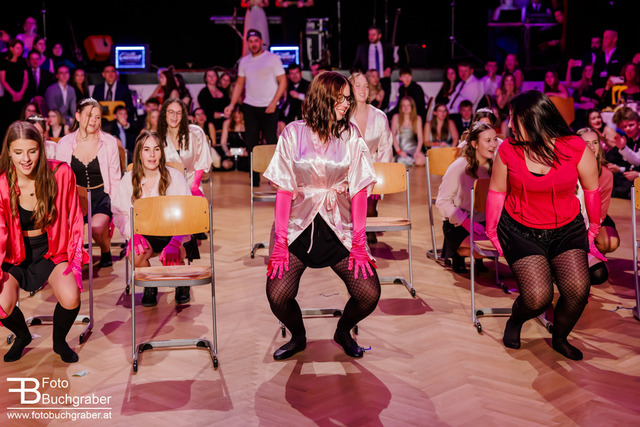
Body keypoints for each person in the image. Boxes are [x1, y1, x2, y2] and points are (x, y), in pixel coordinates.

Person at [263, 71, 380, 360]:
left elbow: (359, 192)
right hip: (298, 227)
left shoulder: (351, 135)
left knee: (369, 293)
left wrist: (359, 243)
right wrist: (280, 242)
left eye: (348, 98)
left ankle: (343, 331)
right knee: (277, 294)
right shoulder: (293, 133)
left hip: (338, 226)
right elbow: (283, 191)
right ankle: (298, 336)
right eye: (341, 98)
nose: (347, 103)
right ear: (323, 97)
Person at [486, 90, 605, 360]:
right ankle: (515, 320)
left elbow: (592, 190)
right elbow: (496, 191)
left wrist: (593, 230)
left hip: (566, 229)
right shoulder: (508, 149)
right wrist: (491, 230)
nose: (509, 124)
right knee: (537, 298)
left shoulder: (575, 147)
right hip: (521, 229)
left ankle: (560, 338)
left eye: (514, 118)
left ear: (534, 119)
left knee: (577, 290)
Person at [0, 121, 88, 363]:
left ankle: (59, 342)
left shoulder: (60, 173)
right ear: (9, 152)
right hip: (14, 255)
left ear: (41, 148)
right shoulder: (2, 184)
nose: (26, 159)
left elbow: (75, 219)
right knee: (2, 304)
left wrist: (75, 258)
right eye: (18, 152)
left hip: (52, 250)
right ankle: (22, 336)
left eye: (32, 151)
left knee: (71, 297)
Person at [111, 131, 194, 307]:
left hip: (174, 234)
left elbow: (188, 214)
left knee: (174, 256)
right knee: (135, 254)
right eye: (147, 149)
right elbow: (119, 213)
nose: (152, 155)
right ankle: (150, 285)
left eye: (156, 149)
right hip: (145, 234)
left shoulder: (175, 177)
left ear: (161, 152)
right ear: (139, 153)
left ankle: (181, 282)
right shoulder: (129, 180)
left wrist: (175, 242)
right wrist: (132, 233)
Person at [56, 98, 121, 268]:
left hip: (101, 195)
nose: (94, 121)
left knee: (97, 227)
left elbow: (115, 178)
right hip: (75, 198)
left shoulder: (109, 142)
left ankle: (105, 249)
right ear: (78, 116)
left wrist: (116, 208)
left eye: (97, 117)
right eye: (89, 116)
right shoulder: (64, 143)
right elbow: (60, 179)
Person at [224, 29, 287, 186]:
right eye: (250, 41)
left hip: (269, 107)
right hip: (250, 106)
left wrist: (274, 102)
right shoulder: (244, 61)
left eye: (256, 41)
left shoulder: (272, 58)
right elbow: (239, 84)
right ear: (248, 43)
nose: (253, 44)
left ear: (261, 42)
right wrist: (231, 104)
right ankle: (254, 179)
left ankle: (275, 177)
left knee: (271, 142)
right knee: (251, 143)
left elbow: (283, 81)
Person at [436, 122, 497, 273]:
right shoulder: (459, 166)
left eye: (495, 139)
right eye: (488, 140)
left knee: (505, 244)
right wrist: (466, 222)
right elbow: (442, 202)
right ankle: (458, 252)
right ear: (475, 144)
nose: (494, 144)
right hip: (459, 224)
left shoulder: (494, 166)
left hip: (483, 222)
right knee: (482, 249)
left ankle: (470, 252)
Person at [349, 72, 393, 243]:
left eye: (366, 86)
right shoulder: (342, 114)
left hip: (372, 168)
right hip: (348, 169)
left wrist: (380, 173)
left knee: (369, 211)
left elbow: (386, 147)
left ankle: (371, 222)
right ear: (350, 89)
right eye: (358, 85)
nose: (363, 89)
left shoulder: (379, 116)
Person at [158, 98, 212, 233]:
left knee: (192, 221)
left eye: (178, 113)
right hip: (167, 187)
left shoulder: (195, 133)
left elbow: (202, 161)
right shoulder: (158, 137)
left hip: (192, 184)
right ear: (165, 114)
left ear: (183, 116)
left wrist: (194, 187)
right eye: (171, 112)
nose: (174, 116)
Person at [577, 127, 618, 285]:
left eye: (595, 142)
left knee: (600, 274)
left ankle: (592, 254)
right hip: (569, 224)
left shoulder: (606, 174)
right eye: (586, 143)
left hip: (594, 219)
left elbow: (601, 212)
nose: (591, 147)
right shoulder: (568, 169)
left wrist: (589, 238)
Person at [0, 39, 28, 130]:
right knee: (8, 118)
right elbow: (3, 80)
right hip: (9, 95)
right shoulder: (4, 62)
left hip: (21, 94)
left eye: (21, 48)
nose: (19, 50)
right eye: (17, 48)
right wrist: (13, 94)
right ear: (11, 48)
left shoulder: (23, 62)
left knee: (20, 117)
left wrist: (21, 93)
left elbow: (25, 79)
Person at [391, 96, 425, 167]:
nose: (406, 108)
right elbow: (392, 135)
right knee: (401, 162)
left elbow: (420, 137)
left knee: (421, 161)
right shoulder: (396, 117)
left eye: (408, 105)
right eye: (403, 105)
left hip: (413, 148)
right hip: (400, 149)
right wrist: (399, 151)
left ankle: (412, 161)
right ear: (401, 107)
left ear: (412, 107)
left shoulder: (417, 118)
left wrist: (417, 151)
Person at [220, 105, 249, 171]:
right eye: (235, 112)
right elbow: (223, 142)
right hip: (231, 151)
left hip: (245, 152)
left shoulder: (248, 123)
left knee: (248, 166)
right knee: (225, 164)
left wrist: (247, 152)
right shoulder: (227, 123)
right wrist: (227, 152)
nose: (237, 114)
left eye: (239, 113)